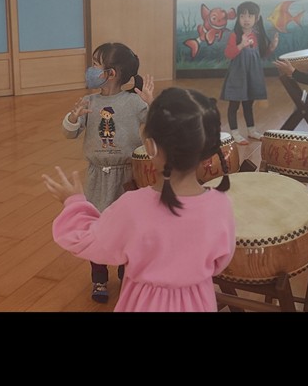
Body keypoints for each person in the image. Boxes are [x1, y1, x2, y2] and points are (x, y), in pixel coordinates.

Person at [47, 87, 236, 312]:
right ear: (207, 152)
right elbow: (220, 262)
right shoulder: (221, 205)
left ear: (150, 146)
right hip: (199, 302)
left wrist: (74, 203)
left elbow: (91, 242)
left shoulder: (133, 206)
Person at [61, 42, 154, 303]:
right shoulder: (89, 102)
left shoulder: (133, 102)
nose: (90, 69)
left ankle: (127, 273)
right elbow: (68, 133)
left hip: (127, 176)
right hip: (96, 177)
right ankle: (99, 278)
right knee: (97, 227)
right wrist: (73, 117)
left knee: (127, 226)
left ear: (111, 73)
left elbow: (157, 125)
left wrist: (151, 103)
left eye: (95, 64)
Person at [221, 1, 279, 145]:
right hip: (238, 75)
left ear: (257, 18)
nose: (246, 19)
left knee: (248, 104)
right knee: (234, 104)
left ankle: (251, 130)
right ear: (238, 18)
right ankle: (235, 133)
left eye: (250, 16)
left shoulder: (257, 35)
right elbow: (228, 54)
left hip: (252, 75)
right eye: (242, 16)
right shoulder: (235, 35)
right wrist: (241, 45)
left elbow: (261, 55)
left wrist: (271, 48)